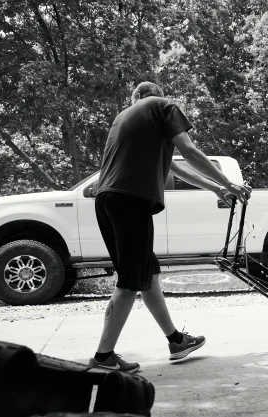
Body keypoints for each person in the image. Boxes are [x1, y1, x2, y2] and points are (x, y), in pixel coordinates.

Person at [89, 81, 252, 372]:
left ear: (136, 97)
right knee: (129, 281)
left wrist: (215, 189)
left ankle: (176, 341)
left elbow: (175, 166)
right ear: (151, 95)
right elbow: (189, 151)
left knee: (146, 272)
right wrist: (229, 184)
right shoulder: (163, 106)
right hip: (131, 200)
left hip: (107, 200)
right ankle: (103, 357)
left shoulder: (124, 119)